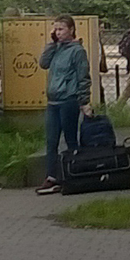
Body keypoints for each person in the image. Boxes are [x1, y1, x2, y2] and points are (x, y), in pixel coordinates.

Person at [35, 14, 92, 196]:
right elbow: (43, 63)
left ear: (71, 30)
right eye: (55, 29)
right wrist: (51, 44)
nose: (57, 32)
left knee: (70, 139)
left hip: (68, 100)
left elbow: (83, 77)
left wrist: (84, 101)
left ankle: (72, 174)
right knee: (51, 141)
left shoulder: (77, 51)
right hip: (53, 101)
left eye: (61, 29)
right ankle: (52, 177)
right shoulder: (57, 48)